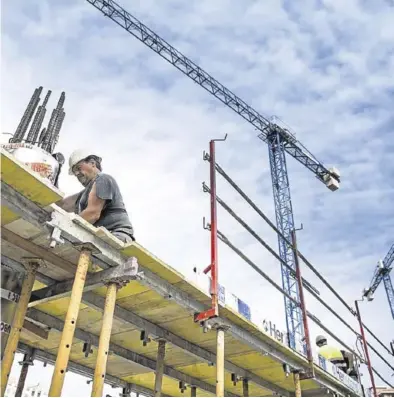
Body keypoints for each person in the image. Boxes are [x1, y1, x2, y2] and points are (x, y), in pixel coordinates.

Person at [56, 149, 135, 244]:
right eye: (74, 172)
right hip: (102, 236)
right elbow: (62, 205)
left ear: (92, 163)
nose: (77, 174)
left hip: (117, 234)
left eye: (78, 168)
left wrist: (65, 226)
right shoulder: (84, 194)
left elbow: (92, 214)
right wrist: (54, 175)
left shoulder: (103, 179)